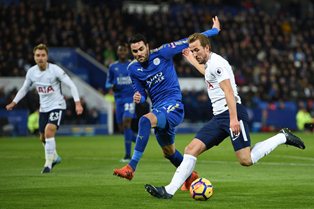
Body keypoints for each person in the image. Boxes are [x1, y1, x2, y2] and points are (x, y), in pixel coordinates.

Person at [144, 33, 306, 199]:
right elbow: (208, 74)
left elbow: (228, 91)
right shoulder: (209, 64)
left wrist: (234, 119)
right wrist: (191, 61)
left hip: (232, 113)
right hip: (219, 117)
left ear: (207, 48)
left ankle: (282, 137)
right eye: (192, 50)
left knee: (246, 160)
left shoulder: (217, 64)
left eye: (197, 50)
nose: (194, 53)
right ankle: (169, 191)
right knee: (191, 149)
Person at [113, 17, 221, 191]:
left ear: (147, 46)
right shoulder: (132, 69)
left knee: (144, 121)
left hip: (174, 106)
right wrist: (138, 97)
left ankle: (131, 167)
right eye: (135, 51)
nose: (139, 53)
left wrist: (213, 31)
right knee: (169, 153)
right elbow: (140, 92)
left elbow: (189, 40)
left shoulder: (163, 52)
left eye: (141, 49)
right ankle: (191, 177)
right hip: (159, 110)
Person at [6, 43, 83, 174]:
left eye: (43, 55)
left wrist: (77, 103)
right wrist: (14, 102)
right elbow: (25, 88)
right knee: (42, 137)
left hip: (58, 106)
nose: (40, 58)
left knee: (49, 131)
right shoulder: (31, 72)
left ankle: (48, 164)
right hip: (44, 108)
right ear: (34, 57)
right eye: (38, 55)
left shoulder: (55, 70)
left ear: (47, 56)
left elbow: (72, 85)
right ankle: (56, 157)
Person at [106, 43, 137, 162]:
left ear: (127, 52)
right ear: (117, 52)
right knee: (121, 128)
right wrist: (112, 85)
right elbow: (107, 83)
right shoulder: (113, 67)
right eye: (120, 50)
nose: (122, 52)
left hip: (130, 98)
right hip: (118, 99)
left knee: (126, 123)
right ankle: (137, 139)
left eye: (124, 50)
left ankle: (128, 155)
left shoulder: (132, 65)